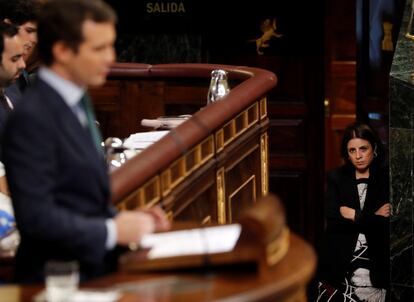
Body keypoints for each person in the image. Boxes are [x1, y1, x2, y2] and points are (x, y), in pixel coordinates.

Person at [2, 0, 170, 283]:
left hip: (91, 268)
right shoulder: (32, 117)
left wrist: (126, 218)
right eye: (99, 48)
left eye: (111, 45)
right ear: (63, 51)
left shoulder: (76, 99)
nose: (110, 57)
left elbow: (76, 197)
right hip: (55, 280)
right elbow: (37, 221)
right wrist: (114, 231)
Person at [317, 122, 390, 302]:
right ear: (347, 154)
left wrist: (353, 215)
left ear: (374, 148)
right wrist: (374, 217)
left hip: (375, 265)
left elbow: (386, 225)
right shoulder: (336, 178)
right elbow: (334, 222)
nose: (358, 156)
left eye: (363, 149)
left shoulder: (386, 179)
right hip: (339, 262)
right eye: (352, 151)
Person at [0, 0, 41, 100]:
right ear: (8, 26)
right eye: (29, 30)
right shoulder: (6, 77)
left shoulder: (22, 74)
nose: (34, 40)